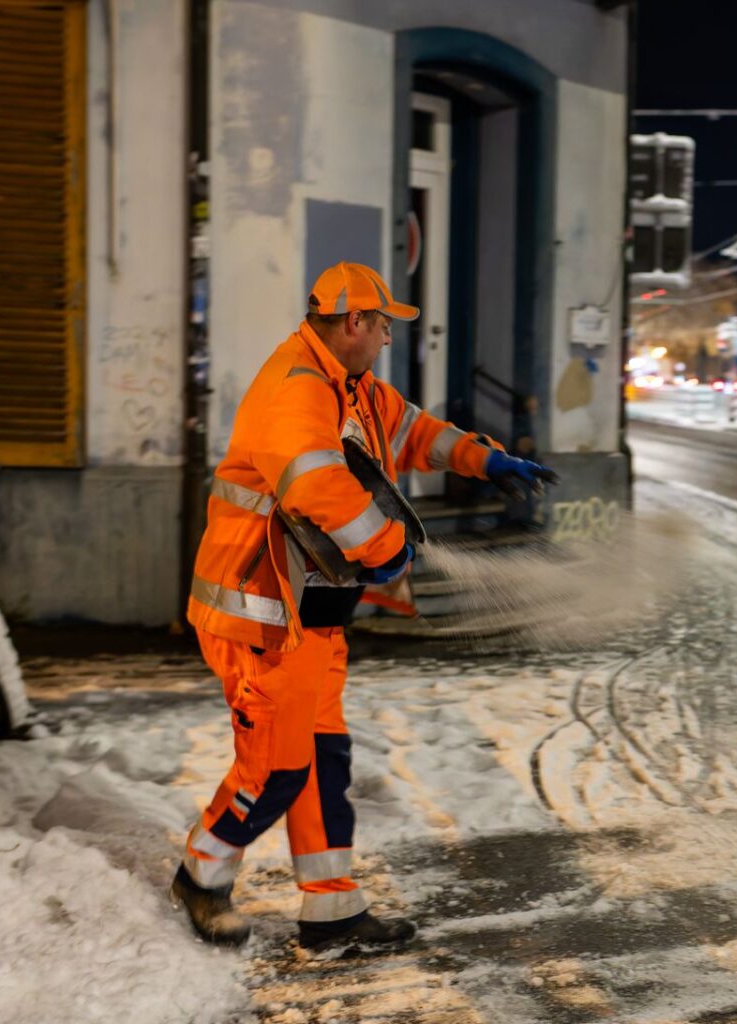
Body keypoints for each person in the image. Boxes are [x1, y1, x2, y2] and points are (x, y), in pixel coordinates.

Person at [173, 262, 556, 950]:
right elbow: (316, 482)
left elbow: (414, 433)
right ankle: (200, 874)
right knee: (277, 768)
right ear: (353, 322)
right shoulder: (296, 388)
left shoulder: (350, 386)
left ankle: (332, 913)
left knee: (322, 760)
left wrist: (485, 460)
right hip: (262, 614)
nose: (386, 338)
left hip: (311, 616)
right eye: (382, 325)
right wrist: (383, 546)